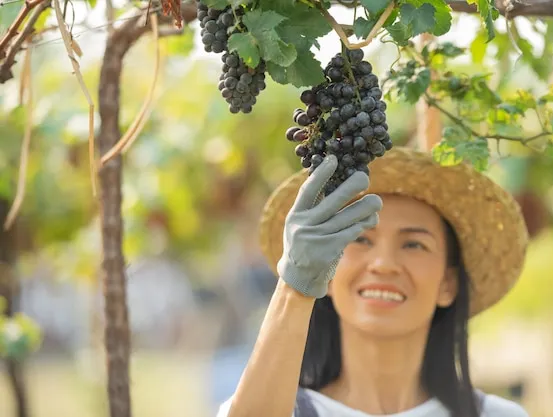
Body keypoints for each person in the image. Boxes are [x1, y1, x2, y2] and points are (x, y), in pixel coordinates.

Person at [216, 146, 530, 417]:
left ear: (448, 283)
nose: (382, 264)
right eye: (360, 239)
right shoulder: (270, 407)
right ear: (327, 267)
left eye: (413, 245)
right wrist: (294, 287)